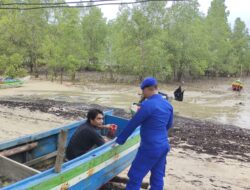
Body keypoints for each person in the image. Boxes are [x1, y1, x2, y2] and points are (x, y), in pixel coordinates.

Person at [116, 77, 174, 190]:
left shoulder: (147, 105)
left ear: (148, 89)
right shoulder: (168, 105)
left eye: (143, 91)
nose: (143, 94)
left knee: (135, 176)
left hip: (150, 147)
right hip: (164, 146)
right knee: (157, 177)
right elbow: (168, 125)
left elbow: (133, 124)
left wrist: (120, 140)